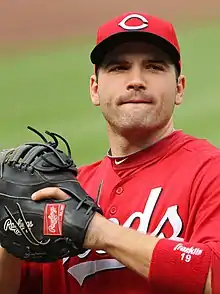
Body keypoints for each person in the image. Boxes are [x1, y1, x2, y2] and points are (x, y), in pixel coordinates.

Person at [1, 11, 220, 294]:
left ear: (179, 88)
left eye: (154, 67)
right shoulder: (66, 191)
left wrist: (100, 233)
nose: (136, 80)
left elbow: (213, 274)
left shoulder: (209, 170)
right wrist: (8, 234)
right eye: (119, 68)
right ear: (94, 89)